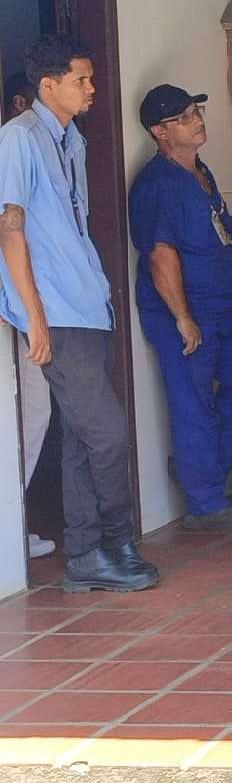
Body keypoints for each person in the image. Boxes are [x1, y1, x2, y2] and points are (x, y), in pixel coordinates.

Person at [0, 35, 158, 591]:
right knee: (108, 434)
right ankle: (116, 541)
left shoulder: (72, 141)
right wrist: (34, 316)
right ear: (49, 85)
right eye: (81, 80)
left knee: (80, 438)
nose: (92, 89)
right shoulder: (19, 138)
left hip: (88, 305)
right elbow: (10, 230)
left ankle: (88, 556)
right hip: (57, 313)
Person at [129, 84, 232, 532]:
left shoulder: (199, 170)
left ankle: (200, 470)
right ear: (160, 131)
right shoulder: (158, 184)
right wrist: (183, 318)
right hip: (189, 312)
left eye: (196, 112)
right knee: (193, 401)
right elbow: (161, 255)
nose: (198, 121)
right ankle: (206, 504)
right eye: (185, 117)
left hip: (226, 307)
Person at [1, 67, 55, 558]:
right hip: (15, 306)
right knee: (32, 409)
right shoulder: (16, 143)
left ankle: (10, 523)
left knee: (35, 409)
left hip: (20, 305)